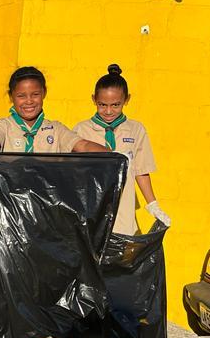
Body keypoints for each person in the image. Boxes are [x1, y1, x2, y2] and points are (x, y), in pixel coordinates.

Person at [73, 64, 170, 234]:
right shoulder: (81, 130)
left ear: (127, 100)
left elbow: (141, 170)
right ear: (94, 99)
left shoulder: (136, 130)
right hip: (91, 208)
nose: (108, 111)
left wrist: (153, 204)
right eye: (102, 105)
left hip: (123, 207)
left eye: (115, 105)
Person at [0, 66, 107, 154]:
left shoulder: (56, 129)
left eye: (35, 94)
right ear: (11, 96)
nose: (29, 101)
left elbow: (82, 145)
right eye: (21, 96)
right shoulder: (4, 126)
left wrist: (114, 157)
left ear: (44, 93)